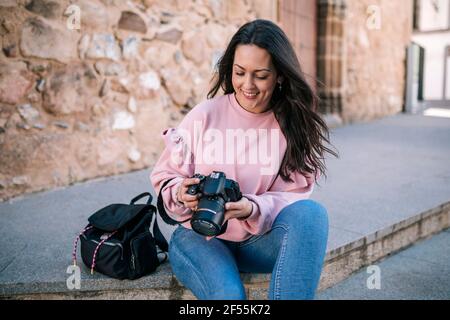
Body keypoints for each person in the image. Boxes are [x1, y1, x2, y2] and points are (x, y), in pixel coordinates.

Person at [150, 19, 338, 300]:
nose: (247, 85)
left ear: (280, 76)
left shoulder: (291, 125)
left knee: (312, 215)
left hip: (258, 241)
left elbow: (293, 197)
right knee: (228, 295)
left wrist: (252, 207)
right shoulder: (205, 114)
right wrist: (181, 190)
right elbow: (166, 175)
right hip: (198, 236)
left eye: (260, 75)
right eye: (239, 72)